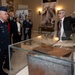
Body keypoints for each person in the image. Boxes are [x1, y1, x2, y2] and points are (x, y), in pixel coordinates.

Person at [0, 6, 10, 75]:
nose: (7, 15)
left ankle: (5, 66)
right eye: (5, 14)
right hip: (1, 46)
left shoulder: (4, 23)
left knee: (4, 57)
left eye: (7, 13)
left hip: (6, 44)